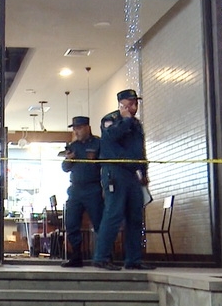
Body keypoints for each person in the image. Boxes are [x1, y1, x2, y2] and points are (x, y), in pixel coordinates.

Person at [93, 89, 156, 271]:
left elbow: (140, 149)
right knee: (113, 214)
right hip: (115, 171)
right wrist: (126, 120)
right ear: (121, 104)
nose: (133, 106)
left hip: (132, 174)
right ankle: (101, 257)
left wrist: (144, 171)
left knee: (135, 217)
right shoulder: (110, 119)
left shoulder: (136, 124)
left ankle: (133, 260)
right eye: (129, 103)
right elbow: (112, 136)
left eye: (135, 103)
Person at [60, 116, 103, 268]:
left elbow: (105, 165)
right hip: (75, 189)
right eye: (74, 129)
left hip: (93, 188)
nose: (76, 132)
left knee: (99, 223)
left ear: (87, 128)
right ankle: (76, 256)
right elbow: (65, 168)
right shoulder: (73, 146)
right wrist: (69, 159)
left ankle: (103, 256)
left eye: (78, 128)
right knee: (71, 223)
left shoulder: (98, 143)